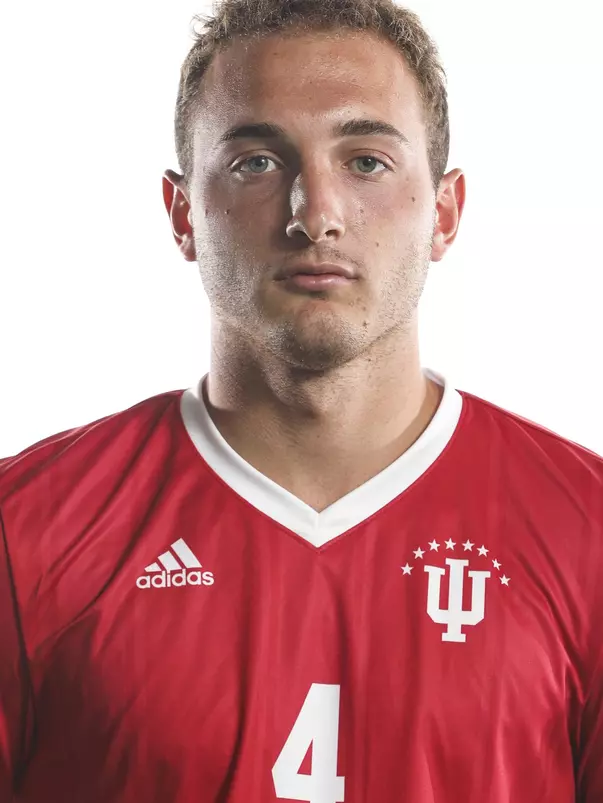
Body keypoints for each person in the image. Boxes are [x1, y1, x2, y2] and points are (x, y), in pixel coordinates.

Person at [1, 0, 602, 800]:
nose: (313, 214)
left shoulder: (585, 535)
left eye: (365, 162)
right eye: (256, 161)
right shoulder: (26, 532)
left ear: (445, 212)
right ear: (182, 214)